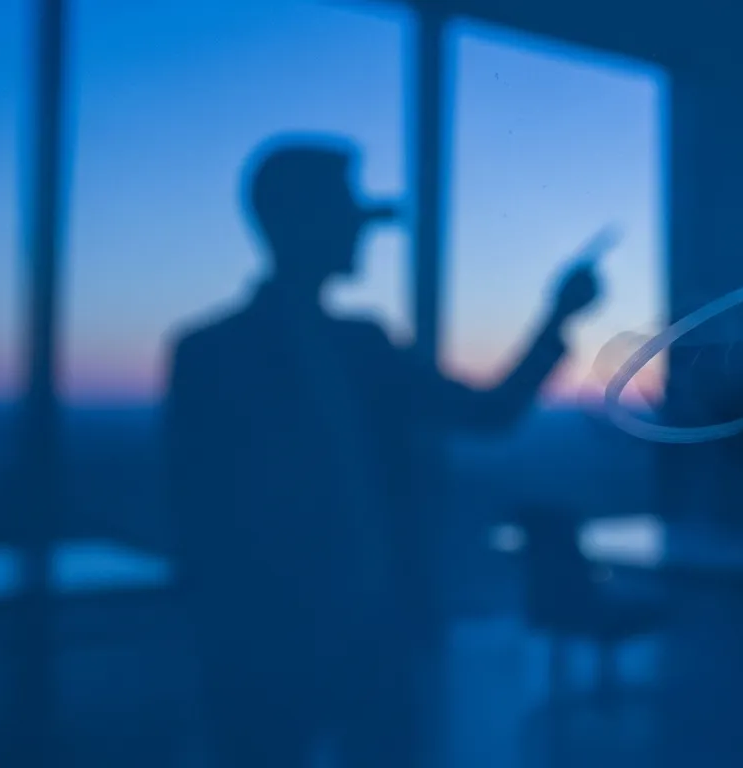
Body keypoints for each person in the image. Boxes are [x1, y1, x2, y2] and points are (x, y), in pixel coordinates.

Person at [163, 134, 601, 768]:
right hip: (268, 642)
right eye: (348, 214)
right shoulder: (214, 354)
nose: (360, 233)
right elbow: (195, 510)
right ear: (299, 221)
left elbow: (489, 413)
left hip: (372, 630)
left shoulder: (361, 346)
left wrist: (557, 316)